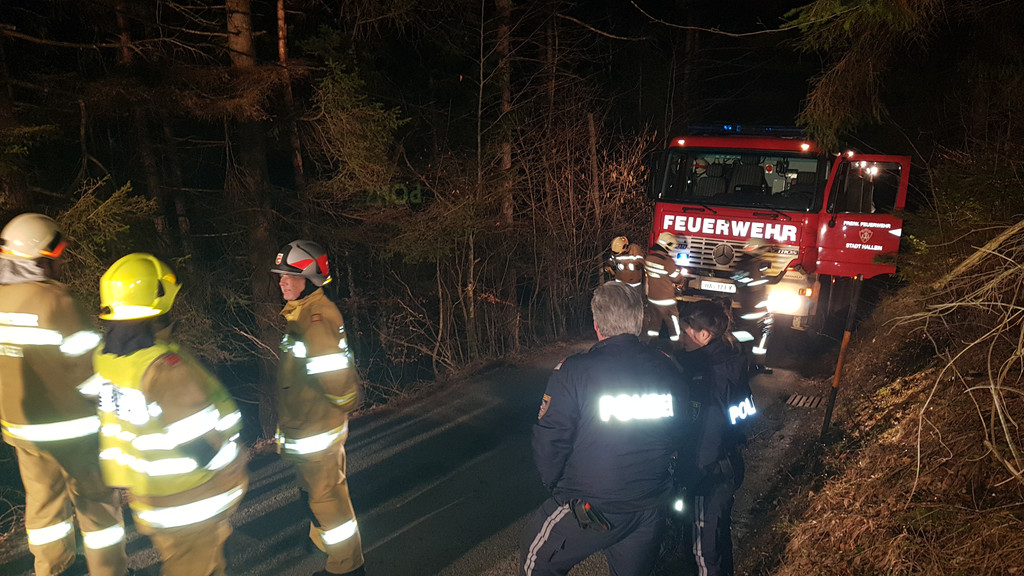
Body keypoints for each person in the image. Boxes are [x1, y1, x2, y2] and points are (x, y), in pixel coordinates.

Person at [519, 282, 689, 576]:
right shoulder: (667, 367)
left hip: (591, 505)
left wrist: (558, 490)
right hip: (650, 504)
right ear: (638, 322)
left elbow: (550, 440)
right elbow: (682, 428)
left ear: (597, 324)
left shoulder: (574, 371)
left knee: (535, 561)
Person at [93, 253, 247, 576]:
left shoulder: (107, 360)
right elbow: (196, 442)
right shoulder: (162, 368)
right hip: (190, 496)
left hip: (149, 494)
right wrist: (232, 466)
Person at [0, 213, 129, 576]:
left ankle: (51, 569)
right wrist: (110, 408)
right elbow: (88, 370)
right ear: (40, 258)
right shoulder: (57, 302)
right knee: (97, 504)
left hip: (23, 432)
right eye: (54, 256)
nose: (58, 264)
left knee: (43, 508)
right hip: (73, 429)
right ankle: (109, 571)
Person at [271, 240, 366, 576]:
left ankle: (347, 567)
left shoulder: (316, 319)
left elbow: (338, 382)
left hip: (318, 430)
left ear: (310, 278)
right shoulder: (300, 315)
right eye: (280, 275)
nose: (281, 281)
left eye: (288, 275)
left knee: (328, 500)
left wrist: (338, 410)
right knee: (314, 495)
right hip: (305, 427)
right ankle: (321, 541)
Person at [676, 299, 756, 576]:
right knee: (719, 541)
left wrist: (693, 473)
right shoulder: (732, 361)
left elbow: (710, 428)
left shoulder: (711, 375)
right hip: (728, 462)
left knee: (703, 551)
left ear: (704, 335)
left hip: (709, 474)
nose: (679, 338)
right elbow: (743, 413)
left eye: (685, 332)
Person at [644, 232, 685, 342]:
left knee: (653, 325)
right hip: (667, 301)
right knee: (674, 326)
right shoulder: (668, 261)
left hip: (652, 298)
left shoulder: (648, 258)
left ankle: (650, 346)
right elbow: (677, 279)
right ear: (668, 245)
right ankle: (677, 347)